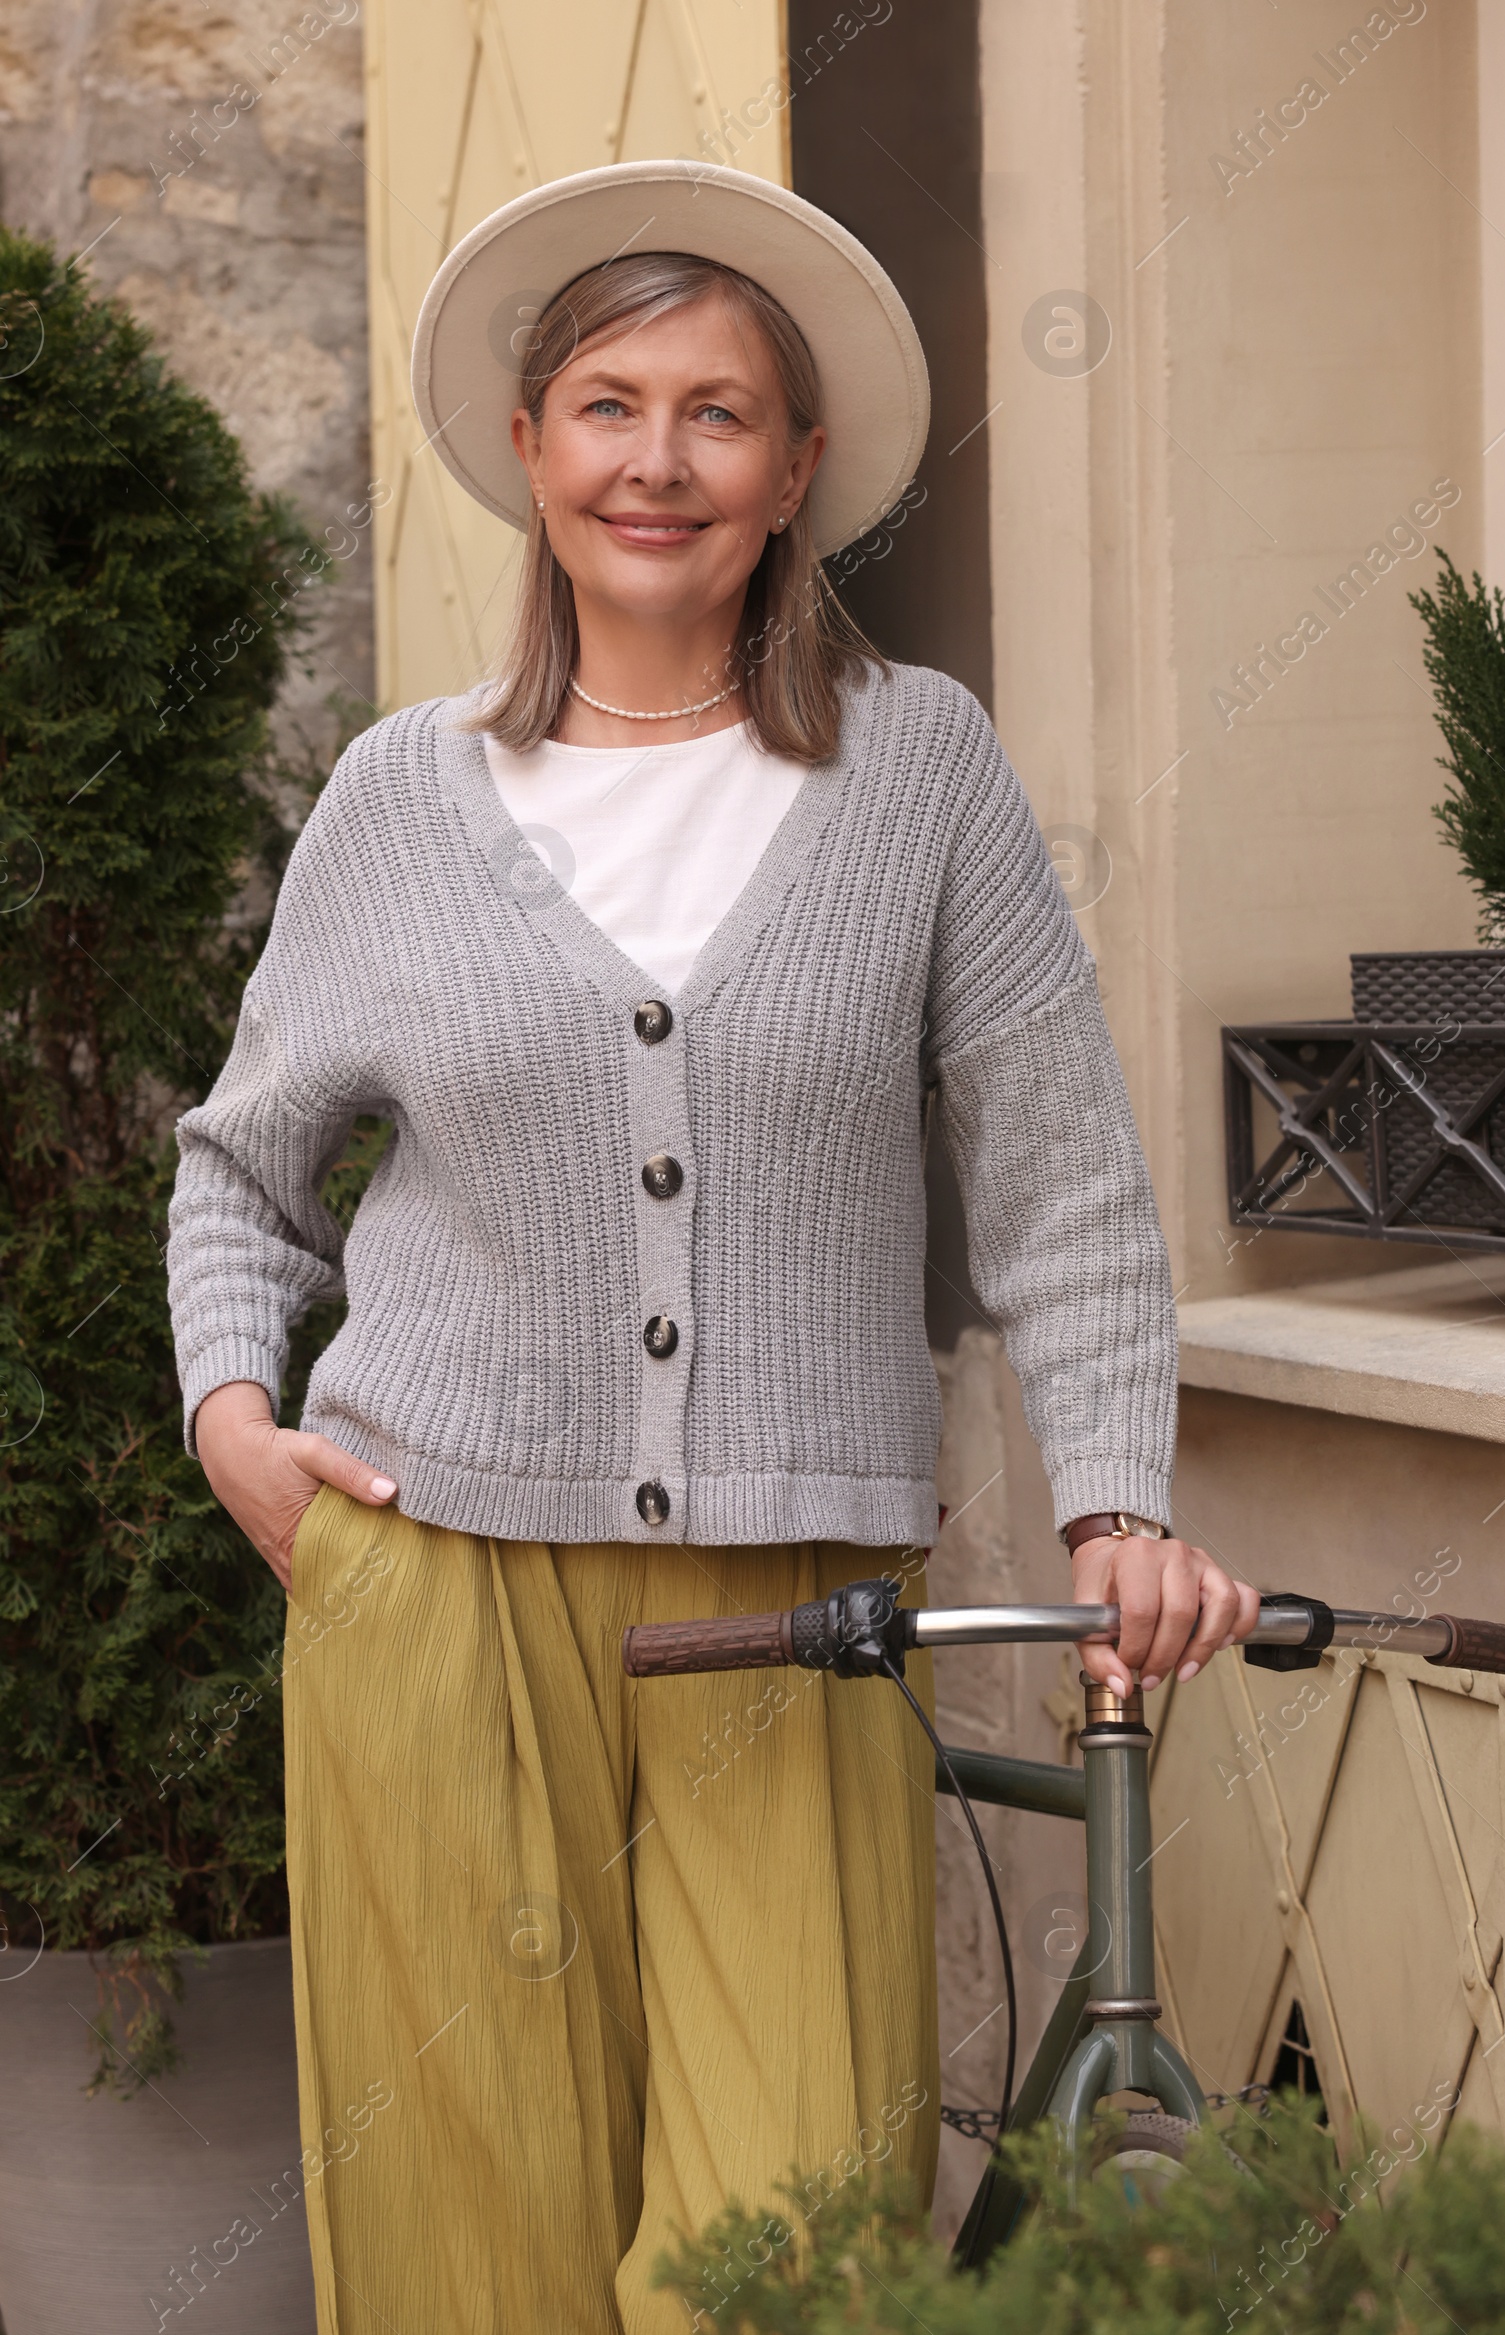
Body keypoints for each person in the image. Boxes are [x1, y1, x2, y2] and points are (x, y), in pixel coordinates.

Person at [167, 160, 1259, 2335]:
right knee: (466, 2230)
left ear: (797, 467)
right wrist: (235, 1426)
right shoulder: (401, 794)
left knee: (789, 2245)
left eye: (714, 412)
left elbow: (1058, 1179)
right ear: (525, 444)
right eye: (604, 401)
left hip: (804, 1606)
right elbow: (242, 1167)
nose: (653, 461)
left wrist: (1116, 1498)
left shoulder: (918, 768)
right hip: (434, 1588)